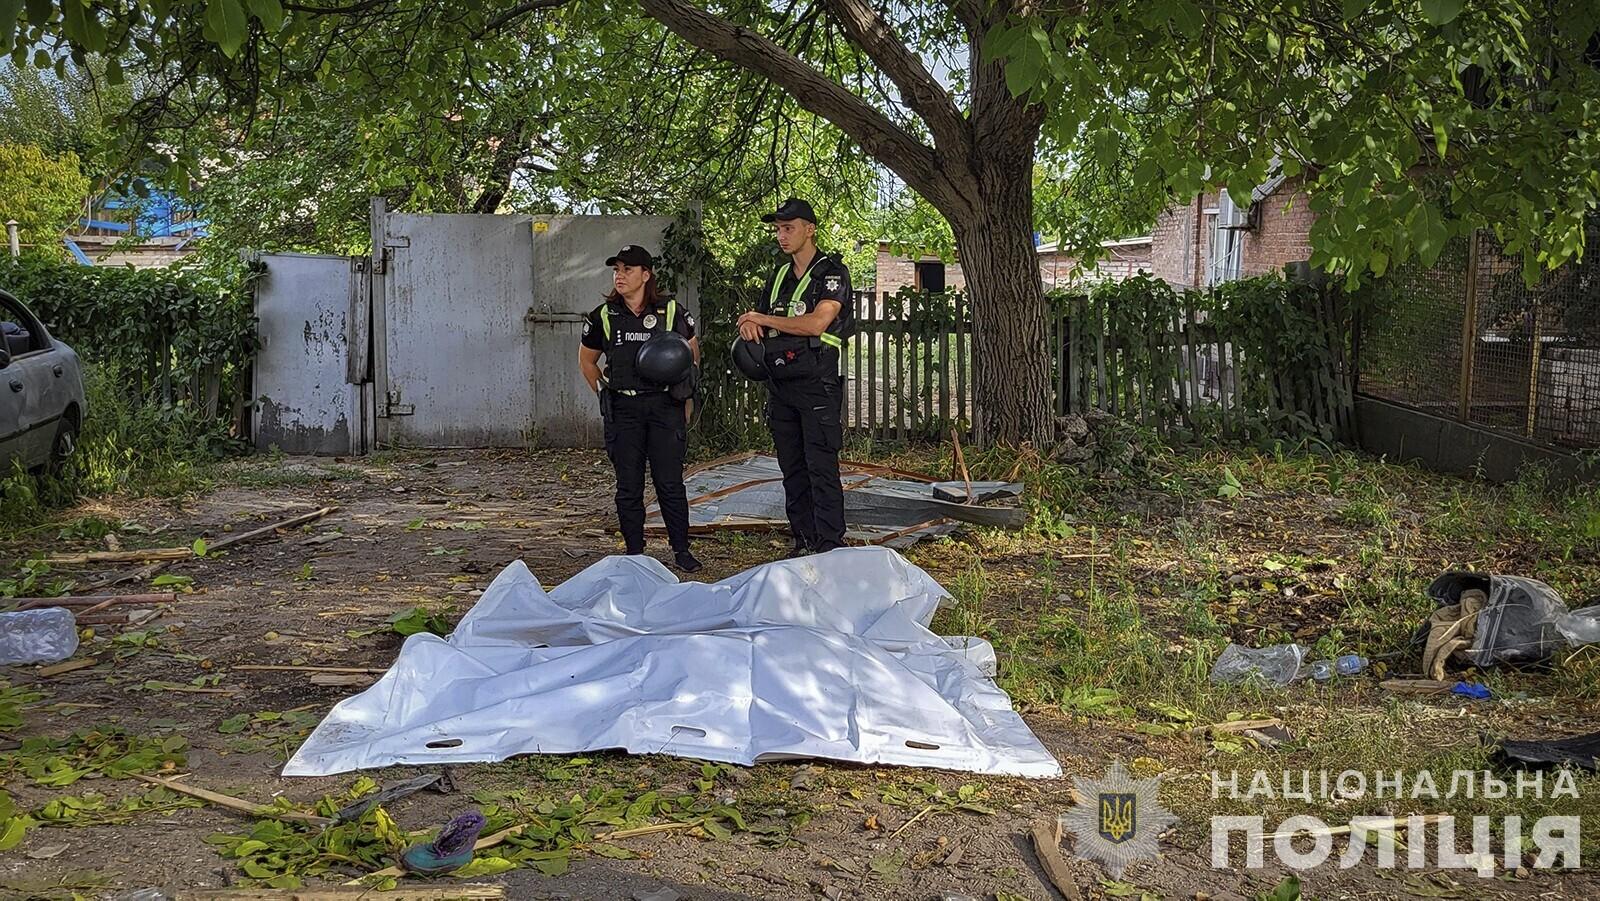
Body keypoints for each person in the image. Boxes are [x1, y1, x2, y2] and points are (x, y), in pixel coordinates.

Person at [737, 198, 853, 556]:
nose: (781, 235)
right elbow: (758, 323)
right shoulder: (779, 276)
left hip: (817, 383)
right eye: (778, 229)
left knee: (821, 467)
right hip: (780, 384)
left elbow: (818, 322)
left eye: (788, 228)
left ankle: (830, 545)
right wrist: (748, 326)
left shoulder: (831, 273)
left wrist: (762, 319)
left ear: (810, 229)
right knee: (792, 468)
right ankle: (802, 541)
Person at [579, 244, 702, 573]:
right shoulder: (604, 315)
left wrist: (685, 397)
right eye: (616, 269)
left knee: (670, 483)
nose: (620, 275)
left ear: (645, 275)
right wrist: (605, 394)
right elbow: (587, 361)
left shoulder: (671, 311)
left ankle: (681, 550)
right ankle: (635, 552)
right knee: (628, 485)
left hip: (664, 407)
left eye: (627, 269)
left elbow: (691, 354)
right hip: (624, 409)